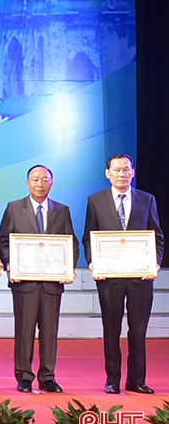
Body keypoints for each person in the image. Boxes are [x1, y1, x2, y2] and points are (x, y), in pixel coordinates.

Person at [82, 154, 164, 394]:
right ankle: (112, 380)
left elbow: (157, 236)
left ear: (133, 172)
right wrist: (93, 262)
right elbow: (89, 236)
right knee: (111, 329)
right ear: (107, 173)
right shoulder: (95, 200)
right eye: (116, 170)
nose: (121, 174)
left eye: (126, 169)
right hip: (110, 277)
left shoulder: (147, 199)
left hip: (140, 277)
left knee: (138, 330)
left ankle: (136, 380)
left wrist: (155, 263)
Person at [0, 164, 77, 393]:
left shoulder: (62, 210)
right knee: (24, 331)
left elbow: (70, 242)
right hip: (24, 283)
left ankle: (48, 376)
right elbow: (4, 240)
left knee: (50, 332)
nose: (40, 184)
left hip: (52, 282)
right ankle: (24, 376)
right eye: (35, 179)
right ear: (27, 183)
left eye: (44, 179)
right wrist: (10, 263)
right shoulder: (14, 208)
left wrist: (68, 267)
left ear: (52, 183)